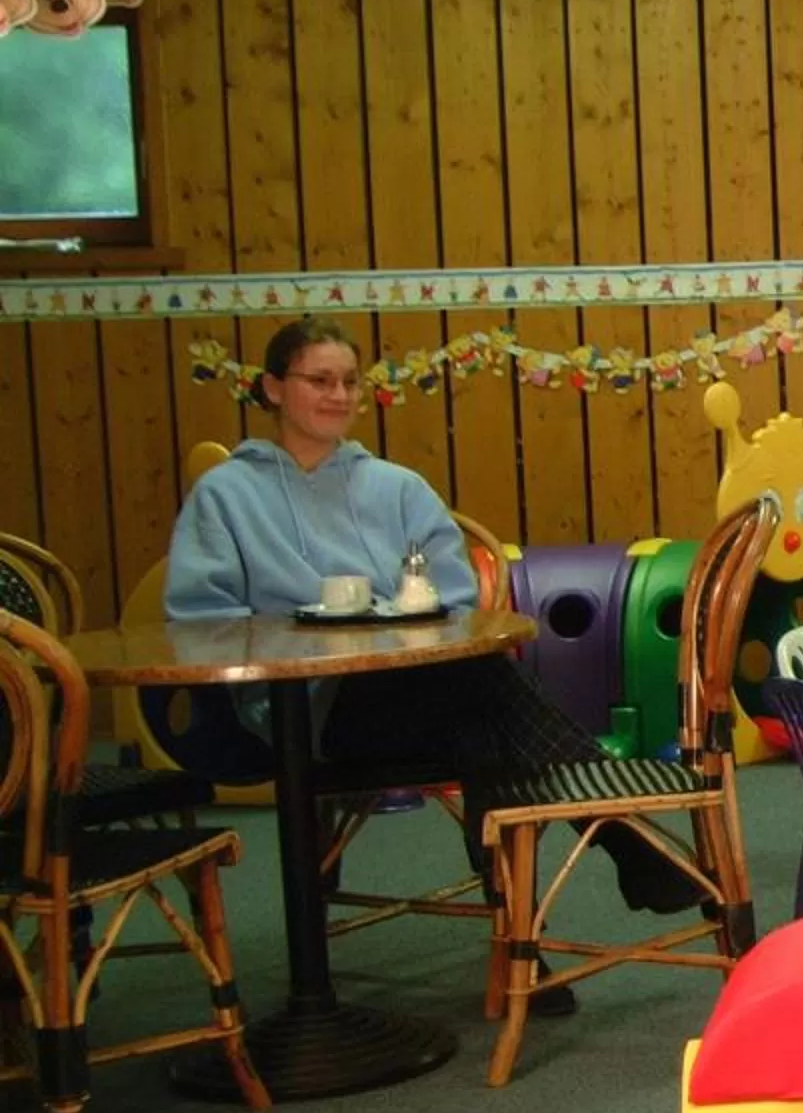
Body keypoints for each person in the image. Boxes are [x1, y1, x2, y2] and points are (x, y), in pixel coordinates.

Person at [166, 320, 698, 1011]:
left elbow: (455, 605)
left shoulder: (397, 488)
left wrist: (391, 625)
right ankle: (605, 854)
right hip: (311, 709)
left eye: (350, 382)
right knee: (483, 696)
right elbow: (200, 619)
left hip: (416, 692)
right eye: (319, 380)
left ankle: (528, 949)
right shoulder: (227, 496)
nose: (338, 395)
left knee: (480, 714)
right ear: (273, 388)